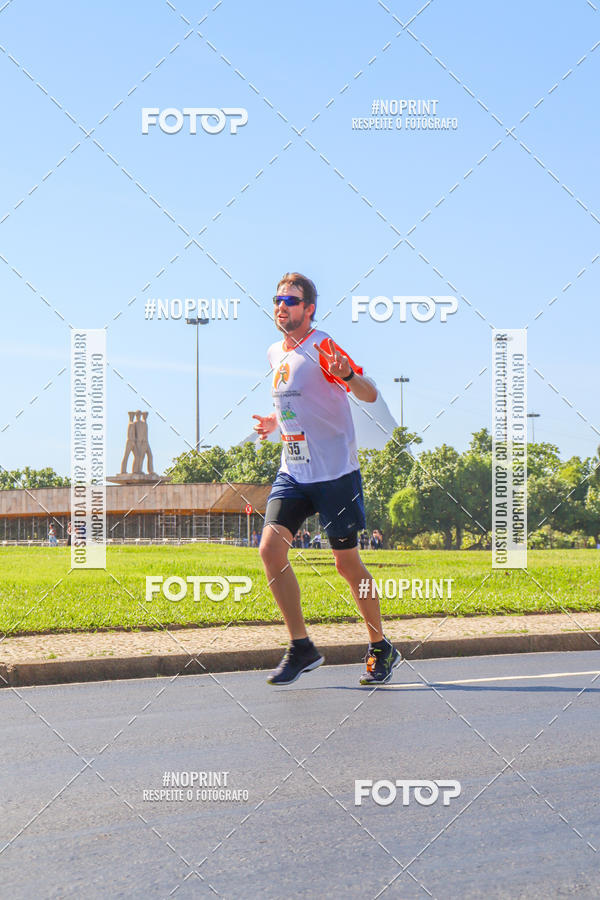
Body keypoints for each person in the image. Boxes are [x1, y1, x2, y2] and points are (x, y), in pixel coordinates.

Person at [253, 272, 400, 686]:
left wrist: (348, 376)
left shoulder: (323, 346)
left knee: (347, 564)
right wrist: (275, 422)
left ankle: (380, 646)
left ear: (309, 308)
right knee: (270, 550)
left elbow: (369, 393)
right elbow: (296, 402)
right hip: (294, 471)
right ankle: (301, 647)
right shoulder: (274, 353)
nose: (281, 306)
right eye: (278, 299)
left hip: (335, 473)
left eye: (290, 300)